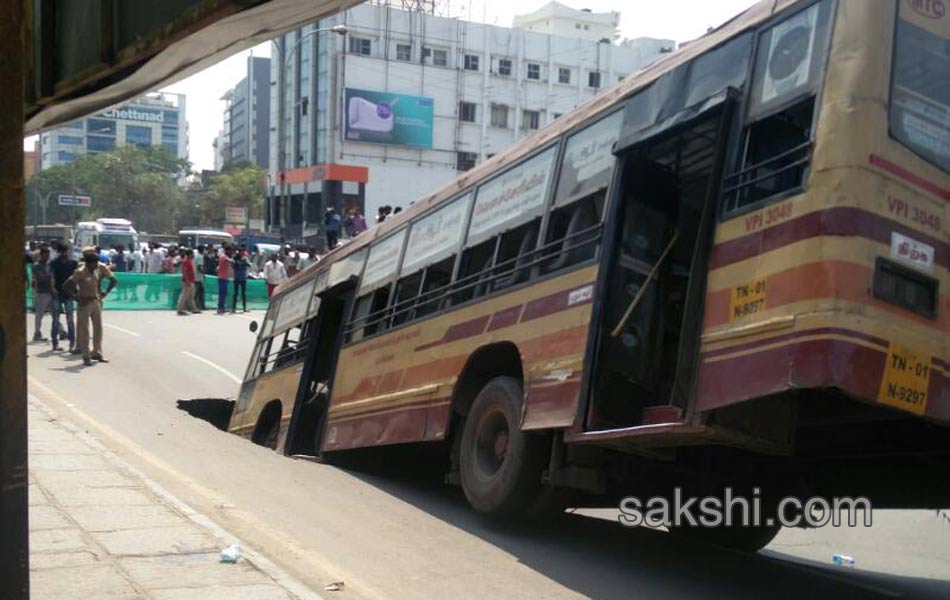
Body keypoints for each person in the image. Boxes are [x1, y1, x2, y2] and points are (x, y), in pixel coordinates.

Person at [63, 247, 117, 366]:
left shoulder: (98, 269)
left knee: (98, 328)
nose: (96, 265)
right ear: (88, 262)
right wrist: (77, 299)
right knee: (85, 330)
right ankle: (86, 355)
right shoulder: (80, 271)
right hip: (84, 303)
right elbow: (66, 286)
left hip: (96, 301)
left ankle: (97, 352)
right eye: (94, 263)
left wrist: (104, 293)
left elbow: (113, 280)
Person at [50, 243, 78, 353]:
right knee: (55, 320)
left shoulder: (73, 263)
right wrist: (53, 290)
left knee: (70, 320)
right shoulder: (54, 263)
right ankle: (55, 343)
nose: (63, 253)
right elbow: (51, 277)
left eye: (65, 251)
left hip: (69, 294)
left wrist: (76, 292)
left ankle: (72, 343)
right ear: (58, 252)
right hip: (57, 293)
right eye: (61, 251)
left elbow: (76, 278)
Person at [31, 245, 55, 343]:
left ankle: (61, 331)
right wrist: (50, 277)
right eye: (45, 255)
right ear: (41, 255)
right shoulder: (37, 266)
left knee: (55, 313)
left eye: (48, 255)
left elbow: (50, 277)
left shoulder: (49, 265)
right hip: (42, 292)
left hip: (51, 292)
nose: (47, 257)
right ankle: (37, 333)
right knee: (39, 314)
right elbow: (42, 278)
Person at [177, 249, 201, 315]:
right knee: (184, 296)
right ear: (190, 254)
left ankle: (193, 308)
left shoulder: (190, 261)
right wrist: (187, 281)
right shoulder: (185, 261)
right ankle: (180, 309)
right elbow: (184, 272)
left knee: (191, 296)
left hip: (191, 280)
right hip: (187, 281)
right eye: (192, 254)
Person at [216, 246, 234, 314]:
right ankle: (220, 308)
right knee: (222, 294)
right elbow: (229, 260)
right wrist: (231, 259)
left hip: (225, 277)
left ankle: (222, 307)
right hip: (222, 278)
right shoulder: (223, 256)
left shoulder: (225, 256)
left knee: (224, 294)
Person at [193, 245, 207, 311]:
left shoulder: (195, 255)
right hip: (198, 277)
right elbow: (199, 267)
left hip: (194, 276)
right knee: (199, 292)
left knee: (196, 292)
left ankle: (198, 305)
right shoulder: (200, 256)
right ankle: (199, 306)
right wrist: (203, 273)